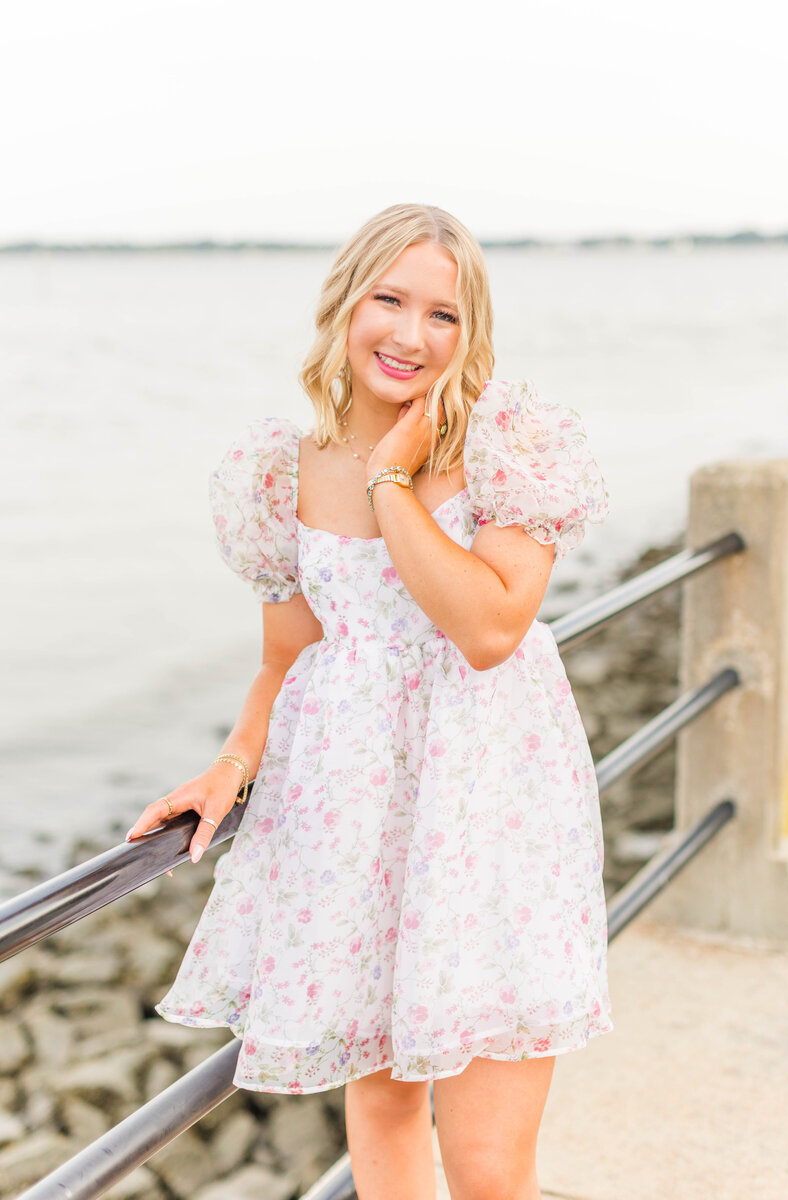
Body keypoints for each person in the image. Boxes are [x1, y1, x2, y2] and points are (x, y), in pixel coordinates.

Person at [125, 202, 613, 1200]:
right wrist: (226, 770)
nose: (408, 333)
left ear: (469, 331)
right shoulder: (280, 473)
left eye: (441, 313)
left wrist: (392, 481)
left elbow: (486, 631)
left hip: (489, 821)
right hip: (355, 823)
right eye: (387, 299)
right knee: (383, 1118)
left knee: (485, 1167)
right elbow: (284, 660)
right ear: (343, 303)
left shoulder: (505, 445)